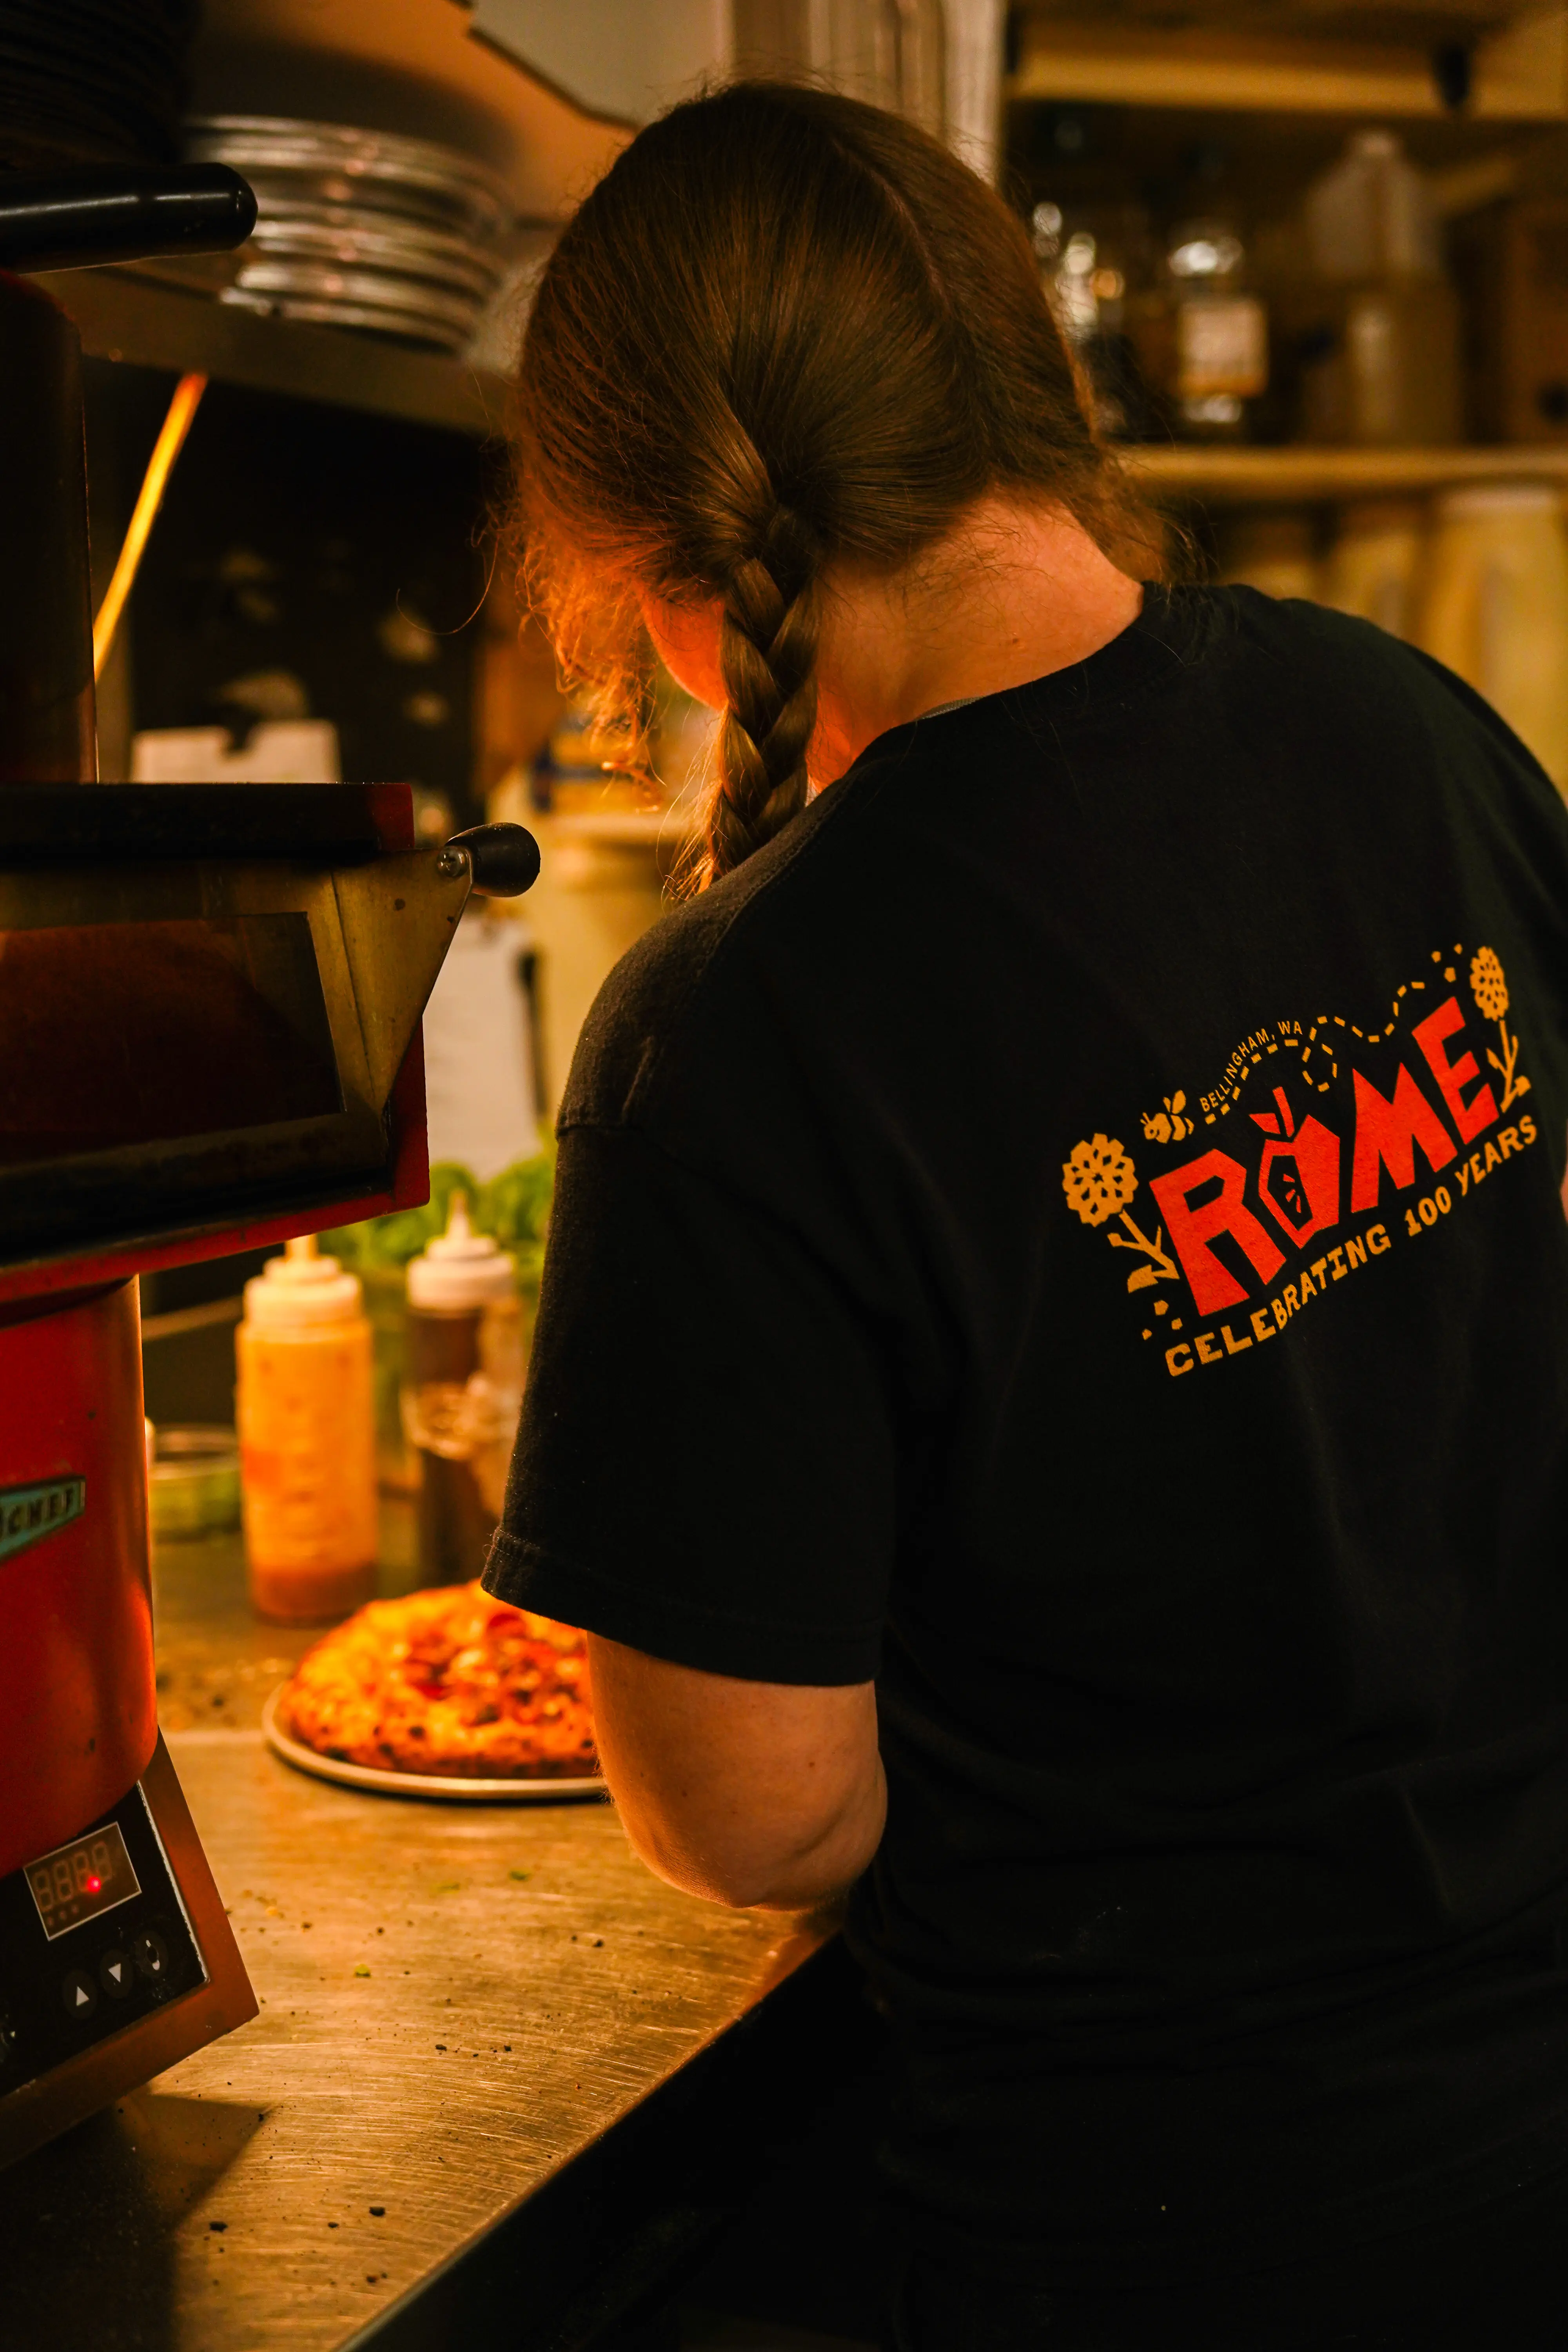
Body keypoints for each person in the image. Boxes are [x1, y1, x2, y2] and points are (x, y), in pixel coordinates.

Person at [482, 80, 1568, 2349]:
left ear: (664, 588)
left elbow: (760, 1827)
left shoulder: (734, 1023)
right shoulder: (1418, 728)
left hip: (1171, 2224)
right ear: (1031, 386)